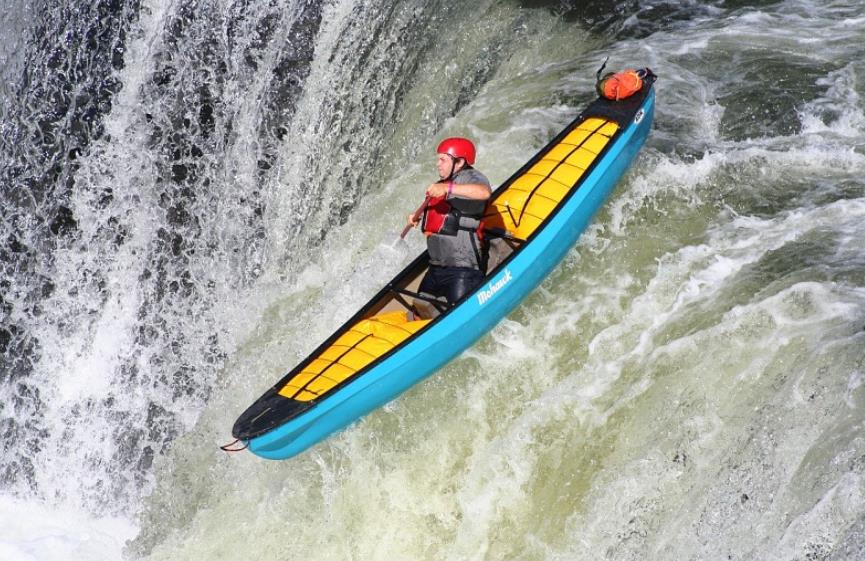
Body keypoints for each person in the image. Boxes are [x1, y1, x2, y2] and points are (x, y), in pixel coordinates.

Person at [407, 137, 492, 307]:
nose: (438, 164)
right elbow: (441, 215)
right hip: (436, 268)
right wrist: (416, 216)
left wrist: (447, 189)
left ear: (459, 162)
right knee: (419, 311)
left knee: (458, 311)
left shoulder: (471, 177)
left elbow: (484, 193)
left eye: (443, 160)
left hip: (462, 270)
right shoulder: (441, 184)